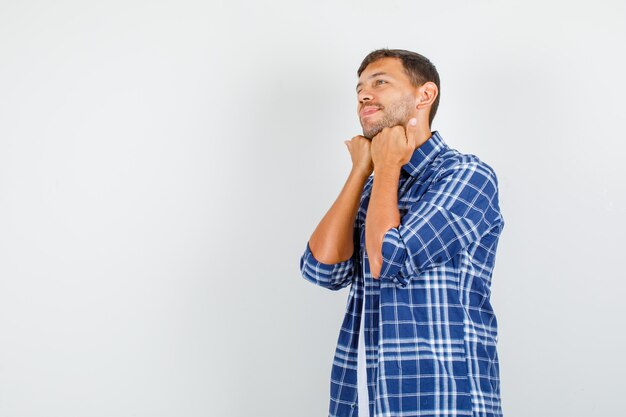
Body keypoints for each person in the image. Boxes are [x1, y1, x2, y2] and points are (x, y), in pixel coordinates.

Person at [299, 48, 506, 417]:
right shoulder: (374, 187)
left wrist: (388, 163)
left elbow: (389, 260)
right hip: (366, 396)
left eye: (380, 82)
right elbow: (321, 270)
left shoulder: (466, 176)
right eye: (360, 87)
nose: (364, 94)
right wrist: (361, 171)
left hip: (443, 398)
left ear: (425, 95)